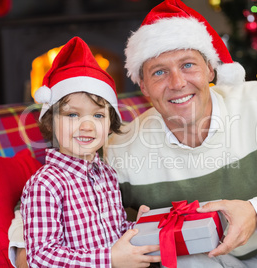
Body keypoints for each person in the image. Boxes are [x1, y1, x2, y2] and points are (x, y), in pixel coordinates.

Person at [10, 1, 257, 267]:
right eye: (159, 72)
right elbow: (55, 192)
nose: (177, 83)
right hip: (212, 261)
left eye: (188, 65)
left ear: (209, 68)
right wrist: (23, 248)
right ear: (143, 86)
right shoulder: (120, 146)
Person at [18, 36, 160, 268]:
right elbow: (41, 258)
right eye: (73, 115)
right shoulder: (45, 185)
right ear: (50, 122)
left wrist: (138, 228)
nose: (87, 126)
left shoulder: (106, 174)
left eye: (98, 115)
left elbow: (113, 232)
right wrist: (110, 260)